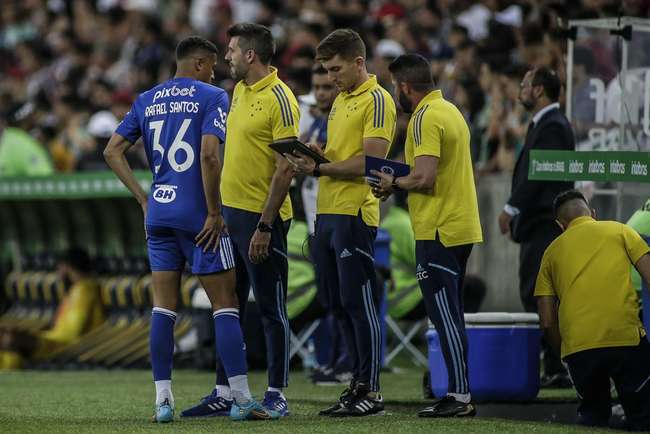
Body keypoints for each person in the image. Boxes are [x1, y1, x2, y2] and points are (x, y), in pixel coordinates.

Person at [104, 36, 276, 423]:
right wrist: (215, 213)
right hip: (198, 217)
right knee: (226, 304)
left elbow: (112, 150)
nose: (215, 71)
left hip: (159, 213)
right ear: (199, 63)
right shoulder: (212, 95)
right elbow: (210, 154)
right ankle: (243, 399)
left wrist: (142, 198)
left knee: (163, 308)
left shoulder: (147, 99)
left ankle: (163, 401)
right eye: (212, 65)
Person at [181, 23, 298, 418]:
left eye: (231, 50)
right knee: (227, 306)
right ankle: (224, 391)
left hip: (262, 220)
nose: (226, 56)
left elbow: (286, 167)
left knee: (270, 308)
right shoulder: (239, 92)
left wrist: (265, 224)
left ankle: (277, 393)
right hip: (231, 217)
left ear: (251, 54)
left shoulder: (281, 98)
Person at [287, 28, 396, 417]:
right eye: (327, 71)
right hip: (327, 214)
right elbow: (338, 155)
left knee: (358, 302)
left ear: (359, 62)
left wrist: (321, 168)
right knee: (336, 304)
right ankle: (355, 384)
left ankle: (372, 390)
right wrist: (315, 155)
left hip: (355, 213)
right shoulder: (341, 101)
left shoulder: (378, 100)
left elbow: (372, 162)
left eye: (336, 69)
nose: (331, 78)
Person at [371, 54, 482, 417]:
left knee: (444, 315)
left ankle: (460, 396)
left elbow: (424, 177)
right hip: (460, 225)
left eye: (393, 87)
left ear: (404, 87)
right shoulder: (450, 111)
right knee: (453, 314)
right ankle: (459, 391)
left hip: (437, 227)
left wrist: (392, 183)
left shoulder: (423, 117)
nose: (393, 94)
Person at [535, 190, 650, 431]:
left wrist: (564, 354)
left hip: (580, 349)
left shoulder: (550, 254)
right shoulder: (621, 230)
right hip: (626, 341)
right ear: (593, 214)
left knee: (592, 418)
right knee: (643, 415)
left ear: (560, 225)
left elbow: (547, 320)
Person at [497, 66, 575, 386]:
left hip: (544, 223)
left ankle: (557, 367)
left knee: (541, 295)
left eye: (525, 84)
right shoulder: (545, 124)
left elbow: (540, 175)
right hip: (539, 224)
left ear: (539, 90)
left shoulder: (553, 126)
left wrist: (510, 207)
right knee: (537, 294)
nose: (521, 89)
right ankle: (554, 365)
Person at [0, 248, 104, 369]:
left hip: (62, 344)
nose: (58, 273)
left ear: (66, 267)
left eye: (59, 268)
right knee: (7, 335)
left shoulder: (84, 290)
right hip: (54, 340)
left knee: (10, 338)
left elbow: (71, 333)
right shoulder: (76, 290)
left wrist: (37, 336)